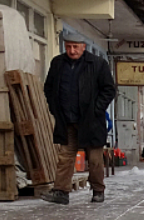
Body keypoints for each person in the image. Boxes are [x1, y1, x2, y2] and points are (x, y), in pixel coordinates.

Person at [41, 30, 116, 205]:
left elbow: (109, 90)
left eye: (75, 47)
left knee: (95, 159)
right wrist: (54, 108)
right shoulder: (58, 63)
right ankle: (61, 192)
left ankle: (98, 190)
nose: (72, 50)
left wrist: (96, 109)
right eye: (68, 47)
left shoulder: (97, 64)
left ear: (83, 47)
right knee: (65, 157)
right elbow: (49, 88)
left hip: (91, 121)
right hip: (66, 120)